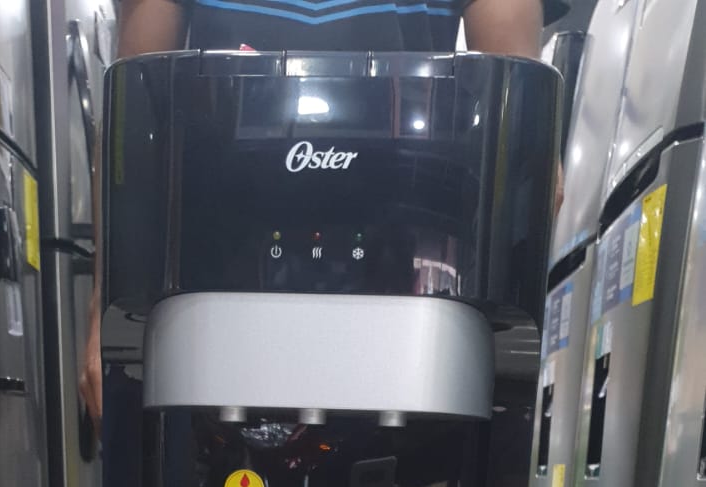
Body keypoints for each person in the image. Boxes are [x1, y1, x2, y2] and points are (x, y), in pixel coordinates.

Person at [80, 0, 563, 424]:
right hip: (229, 277)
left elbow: (523, 129)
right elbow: (137, 108)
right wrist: (110, 309)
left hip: (374, 276)